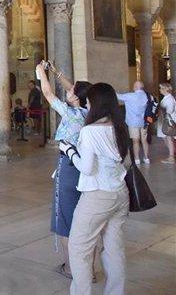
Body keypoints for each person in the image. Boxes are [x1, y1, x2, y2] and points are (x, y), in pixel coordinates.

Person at [59, 83, 130, 295]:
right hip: (120, 193)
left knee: (79, 248)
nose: (87, 104)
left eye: (89, 101)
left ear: (96, 104)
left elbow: (87, 168)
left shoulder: (90, 132)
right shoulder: (119, 126)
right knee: (114, 251)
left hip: (98, 195)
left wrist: (69, 150)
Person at [37, 61, 92, 281]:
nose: (68, 90)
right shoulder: (91, 111)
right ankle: (88, 269)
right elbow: (78, 90)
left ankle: (71, 268)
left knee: (66, 220)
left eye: (71, 91)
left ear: (76, 97)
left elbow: (48, 94)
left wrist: (41, 72)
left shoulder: (71, 115)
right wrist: (57, 72)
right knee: (85, 219)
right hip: (86, 168)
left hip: (69, 168)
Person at [117, 81, 150, 163]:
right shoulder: (147, 96)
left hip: (133, 122)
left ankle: (137, 159)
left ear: (135, 87)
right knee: (144, 140)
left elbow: (117, 96)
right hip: (145, 122)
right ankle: (146, 158)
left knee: (135, 141)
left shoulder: (130, 96)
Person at [156, 83, 176, 163]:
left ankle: (171, 157)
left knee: (169, 138)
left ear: (165, 89)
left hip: (169, 121)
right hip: (165, 120)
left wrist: (161, 108)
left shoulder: (170, 99)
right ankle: (172, 155)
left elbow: (169, 111)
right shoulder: (167, 98)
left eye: (161, 88)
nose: (160, 90)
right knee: (167, 138)